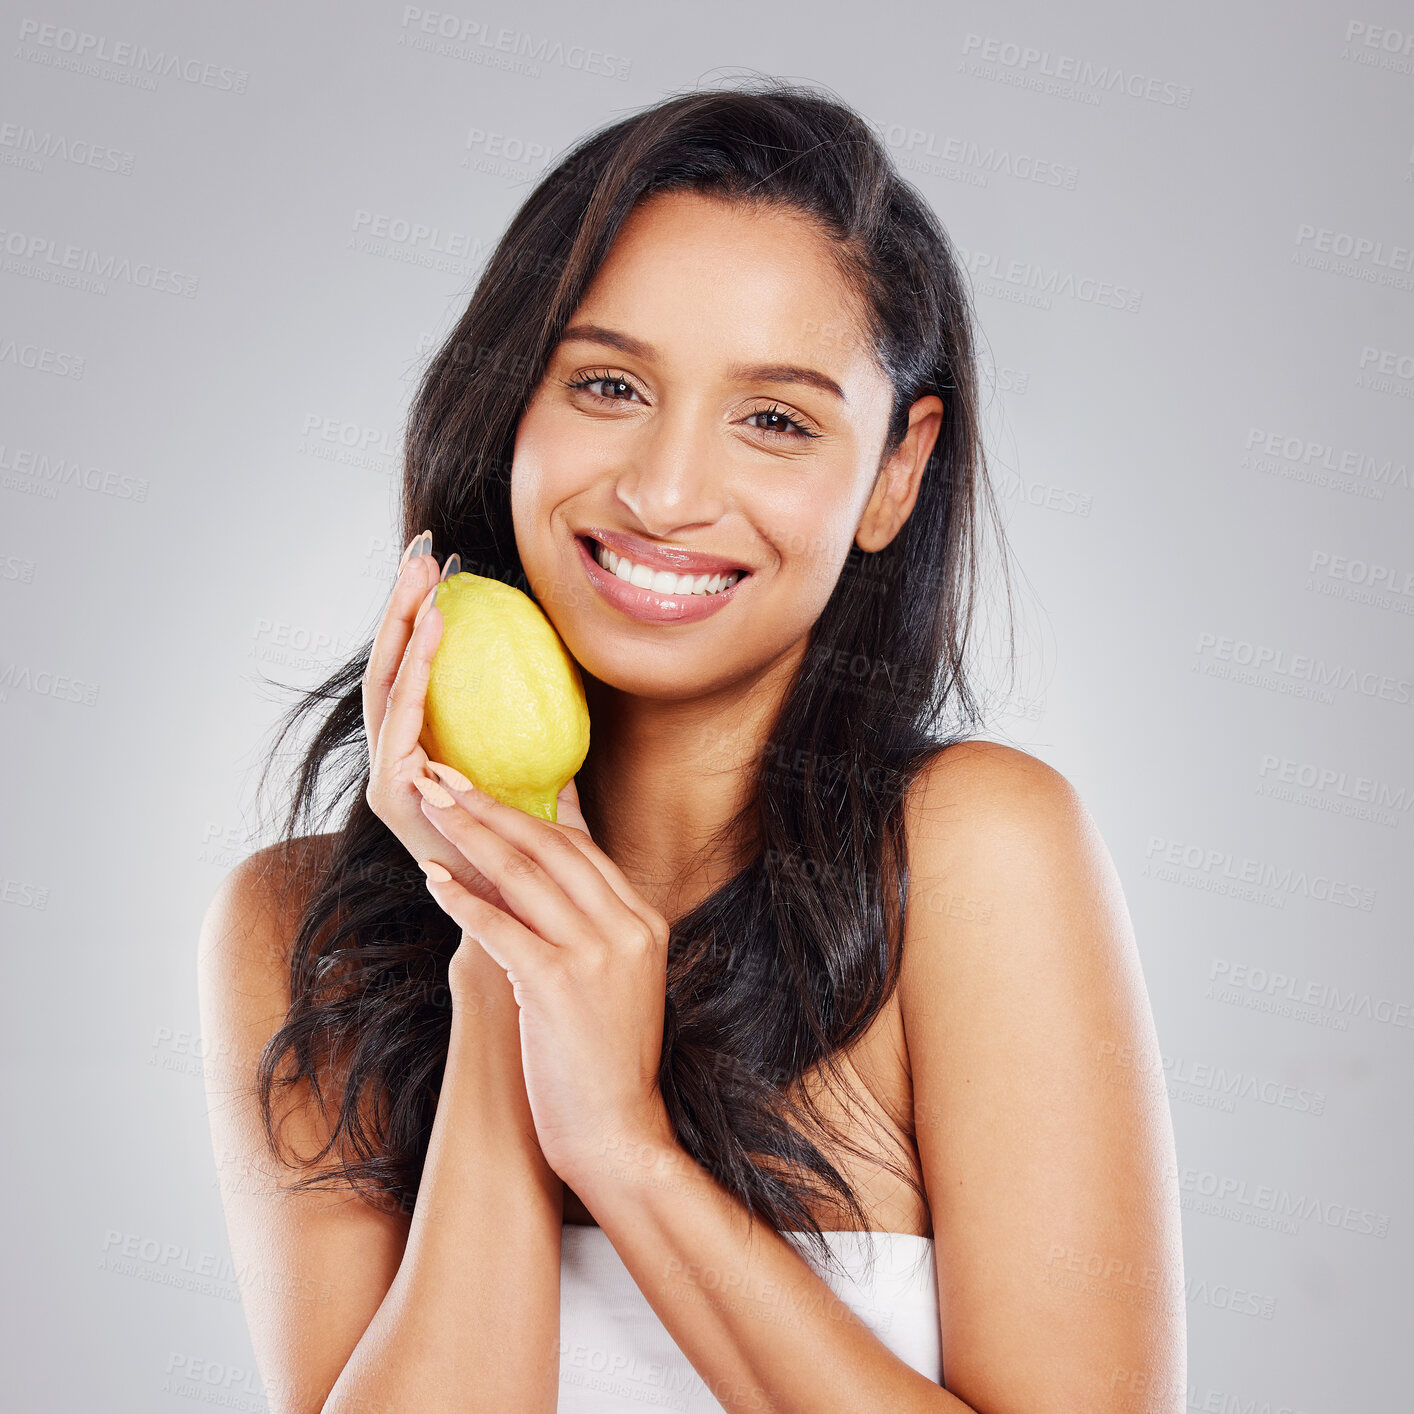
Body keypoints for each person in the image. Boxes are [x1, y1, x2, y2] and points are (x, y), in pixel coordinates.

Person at [197, 78, 1186, 1414]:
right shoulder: (298, 923)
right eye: (607, 384)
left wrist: (621, 1145)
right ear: (510, 411)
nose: (665, 492)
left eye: (774, 417)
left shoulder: (965, 854)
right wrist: (504, 961)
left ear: (896, 469)